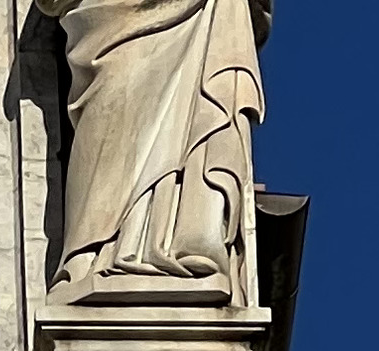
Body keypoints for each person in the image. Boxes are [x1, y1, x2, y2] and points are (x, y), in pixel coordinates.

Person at [34, 0, 269, 297]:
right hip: (112, 25)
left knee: (196, 114)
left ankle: (190, 240)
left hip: (198, 16)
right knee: (114, 118)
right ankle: (94, 253)